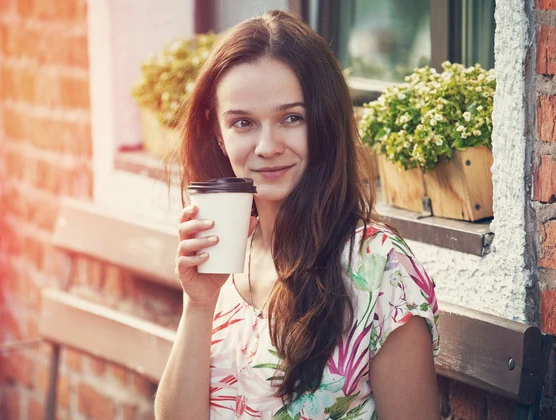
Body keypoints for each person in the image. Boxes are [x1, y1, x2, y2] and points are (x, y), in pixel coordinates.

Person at [155, 10, 440, 420]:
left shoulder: (380, 266)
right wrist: (198, 304)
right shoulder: (225, 250)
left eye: (291, 118)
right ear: (218, 134)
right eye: (243, 123)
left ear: (323, 122)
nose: (267, 146)